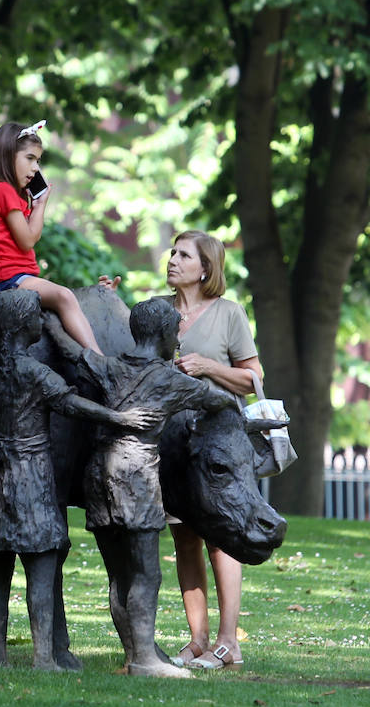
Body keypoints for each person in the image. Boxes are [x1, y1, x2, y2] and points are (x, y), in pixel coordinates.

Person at [0, 290, 161, 671]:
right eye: (38, 318)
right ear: (24, 327)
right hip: (30, 475)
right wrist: (118, 418)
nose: (43, 322)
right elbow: (71, 404)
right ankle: (42, 658)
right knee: (42, 564)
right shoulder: (36, 373)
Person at [99, 229, 262, 670]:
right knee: (184, 539)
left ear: (205, 267)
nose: (172, 260)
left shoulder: (229, 314)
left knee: (219, 538)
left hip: (214, 446)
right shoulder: (160, 310)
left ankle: (229, 642)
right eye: (172, 252)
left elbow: (253, 378)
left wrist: (208, 367)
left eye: (183, 255)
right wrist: (110, 302)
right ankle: (198, 639)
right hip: (169, 448)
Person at [48, 298, 236, 677]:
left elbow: (71, 349)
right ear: (165, 336)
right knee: (146, 574)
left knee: (119, 574)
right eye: (176, 337)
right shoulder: (171, 379)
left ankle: (138, 650)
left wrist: (49, 318)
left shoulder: (109, 366)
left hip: (98, 478)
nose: (178, 344)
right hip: (136, 479)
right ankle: (145, 659)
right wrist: (248, 421)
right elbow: (218, 400)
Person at [0, 121, 103, 353]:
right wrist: (41, 205)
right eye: (29, 158)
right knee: (65, 296)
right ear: (8, 155)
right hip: (10, 281)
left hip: (11, 279)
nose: (35, 169)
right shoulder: (2, 191)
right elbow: (29, 239)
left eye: (38, 161)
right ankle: (99, 358)